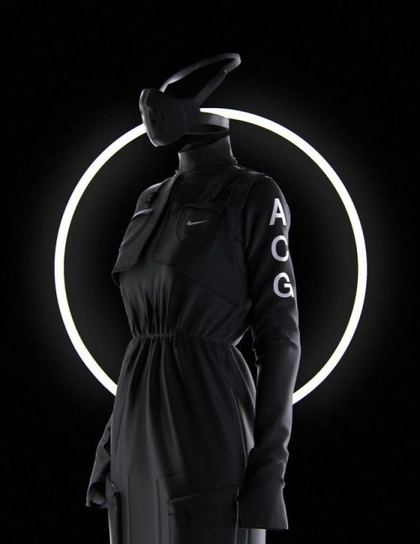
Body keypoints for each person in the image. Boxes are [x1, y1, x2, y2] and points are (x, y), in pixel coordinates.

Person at [86, 53, 301, 544]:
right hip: (134, 434)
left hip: (206, 419)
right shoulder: (150, 200)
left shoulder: (254, 194)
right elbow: (145, 341)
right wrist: (109, 443)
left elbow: (280, 338)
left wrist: (269, 472)